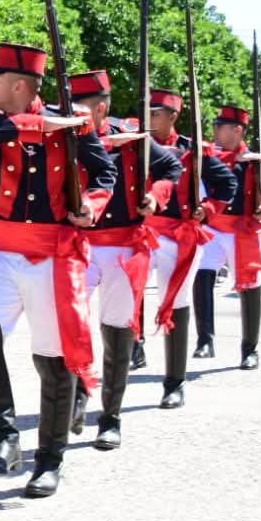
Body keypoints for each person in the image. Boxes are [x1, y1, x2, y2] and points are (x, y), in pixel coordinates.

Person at [0, 43, 115, 498]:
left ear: (20, 86)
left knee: (54, 359)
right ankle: (5, 439)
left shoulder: (75, 126)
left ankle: (49, 459)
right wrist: (41, 124)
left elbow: (103, 175)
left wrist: (91, 206)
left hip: (51, 255)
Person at [71, 70, 182, 451]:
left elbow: (171, 168)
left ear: (101, 109)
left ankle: (110, 417)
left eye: (82, 108)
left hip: (123, 245)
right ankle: (77, 395)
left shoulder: (130, 137)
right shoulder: (65, 135)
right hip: (78, 245)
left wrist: (155, 195)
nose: (74, 113)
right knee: (69, 322)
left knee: (117, 330)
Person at [144, 88, 237, 410]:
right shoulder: (137, 143)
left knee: (176, 304)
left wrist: (207, 209)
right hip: (142, 233)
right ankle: (134, 348)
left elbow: (226, 184)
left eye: (155, 113)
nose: (149, 118)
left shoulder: (193, 150)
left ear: (173, 116)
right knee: (124, 295)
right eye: (146, 112)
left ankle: (175, 382)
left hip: (178, 234)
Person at [196, 106, 261, 370]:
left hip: (244, 229)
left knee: (250, 284)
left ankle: (250, 349)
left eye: (220, 126)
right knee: (202, 274)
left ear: (237, 130)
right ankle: (205, 339)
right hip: (214, 227)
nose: (215, 131)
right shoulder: (210, 157)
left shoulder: (259, 161)